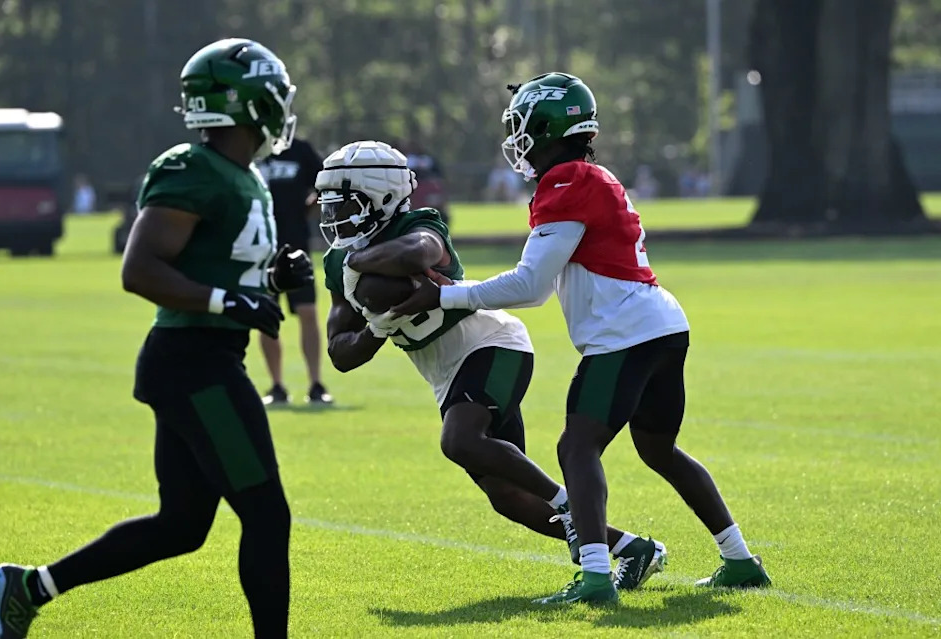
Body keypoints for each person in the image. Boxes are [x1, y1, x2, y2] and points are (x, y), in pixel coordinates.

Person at [391, 73, 772, 605]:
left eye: (522, 125)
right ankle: (739, 560)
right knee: (660, 449)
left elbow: (530, 286)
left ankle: (595, 575)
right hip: (662, 324)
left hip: (626, 334)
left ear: (546, 127)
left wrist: (447, 296)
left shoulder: (567, 181)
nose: (517, 138)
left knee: (576, 446)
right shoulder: (590, 176)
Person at [0, 38, 314, 639]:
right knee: (267, 515)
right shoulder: (191, 168)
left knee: (182, 526)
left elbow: (216, 265)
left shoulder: (245, 177)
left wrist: (270, 277)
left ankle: (28, 587)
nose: (280, 105)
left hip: (203, 360)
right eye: (271, 94)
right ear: (242, 102)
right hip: (195, 364)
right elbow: (140, 270)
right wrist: (228, 300)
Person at [319, 140, 667, 596]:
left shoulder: (419, 226)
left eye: (345, 201)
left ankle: (567, 506)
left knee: (459, 439)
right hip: (445, 374)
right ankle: (632, 548)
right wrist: (376, 328)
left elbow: (416, 255)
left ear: (380, 196)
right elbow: (341, 354)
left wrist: (358, 262)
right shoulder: (338, 261)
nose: (334, 215)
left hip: (492, 344)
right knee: (507, 496)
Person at [255, 137, 333, 405]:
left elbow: (325, 183)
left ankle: (316, 384)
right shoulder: (251, 147)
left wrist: (307, 209)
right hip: (260, 247)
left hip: (295, 244)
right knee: (267, 316)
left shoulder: (300, 149)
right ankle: (277, 386)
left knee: (307, 312)